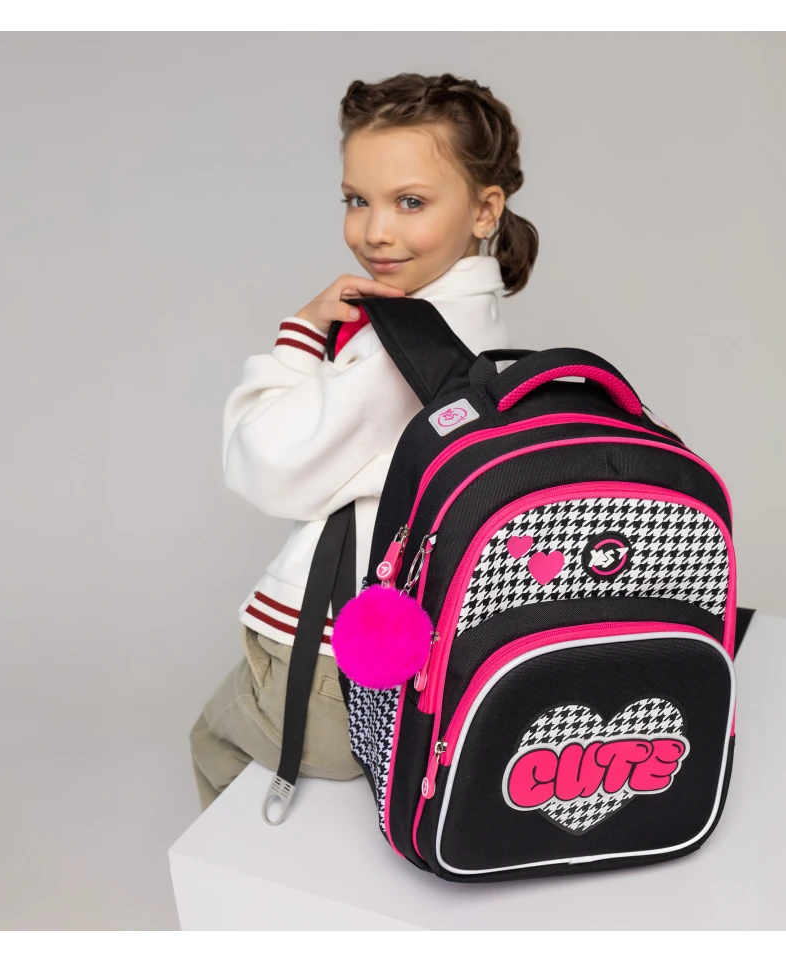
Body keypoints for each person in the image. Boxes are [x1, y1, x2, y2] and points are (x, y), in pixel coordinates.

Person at [189, 71, 540, 811]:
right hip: (400, 646)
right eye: (357, 200)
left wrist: (300, 332)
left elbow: (260, 463)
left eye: (410, 202)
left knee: (214, 748)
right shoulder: (475, 321)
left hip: (325, 654)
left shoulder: (409, 346)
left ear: (485, 209)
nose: (375, 231)